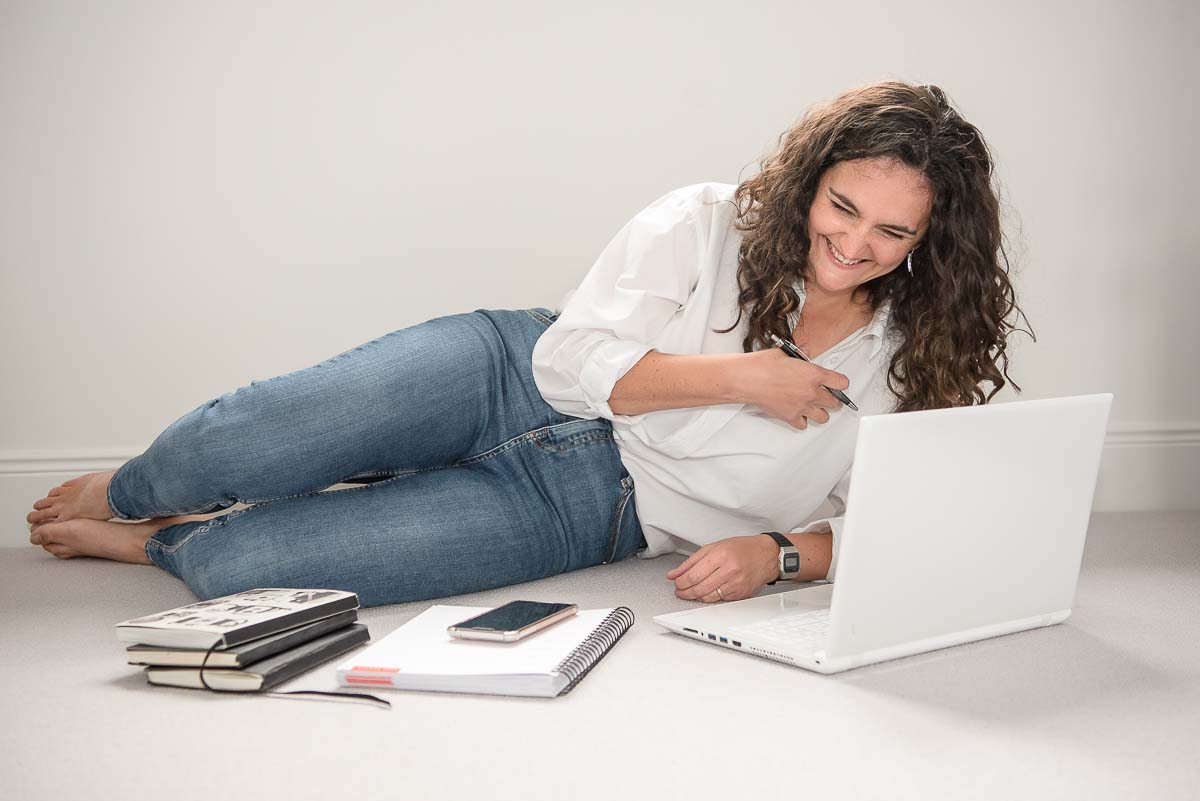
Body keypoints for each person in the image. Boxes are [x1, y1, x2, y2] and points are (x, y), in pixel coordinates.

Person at [26, 81, 1028, 608]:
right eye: (842, 205)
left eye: (890, 232)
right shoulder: (712, 219)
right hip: (509, 377)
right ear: (815, 179)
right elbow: (568, 362)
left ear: (929, 242)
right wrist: (747, 379)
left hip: (597, 511)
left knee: (256, 569)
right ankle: (143, 486)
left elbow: (908, 521)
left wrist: (779, 556)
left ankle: (162, 542)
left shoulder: (911, 360)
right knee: (233, 445)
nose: (852, 243)